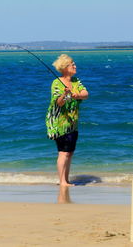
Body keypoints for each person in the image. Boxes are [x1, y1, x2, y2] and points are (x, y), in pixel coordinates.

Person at [46, 54, 89, 186]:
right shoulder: (56, 83)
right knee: (63, 152)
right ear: (65, 68)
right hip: (59, 122)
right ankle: (62, 181)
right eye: (72, 64)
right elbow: (59, 103)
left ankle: (66, 179)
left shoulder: (76, 81)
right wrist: (65, 94)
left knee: (69, 152)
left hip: (72, 123)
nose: (75, 66)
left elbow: (86, 94)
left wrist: (76, 95)